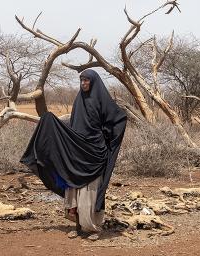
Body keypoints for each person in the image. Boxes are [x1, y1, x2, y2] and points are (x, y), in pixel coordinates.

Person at [20, 69, 127, 240]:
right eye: (82, 80)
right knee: (74, 189)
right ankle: (78, 226)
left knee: (90, 191)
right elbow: (76, 124)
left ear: (93, 82)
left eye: (87, 80)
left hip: (94, 153)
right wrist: (54, 124)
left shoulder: (102, 100)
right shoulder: (79, 100)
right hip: (77, 151)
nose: (84, 83)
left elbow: (119, 119)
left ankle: (93, 228)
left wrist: (106, 139)